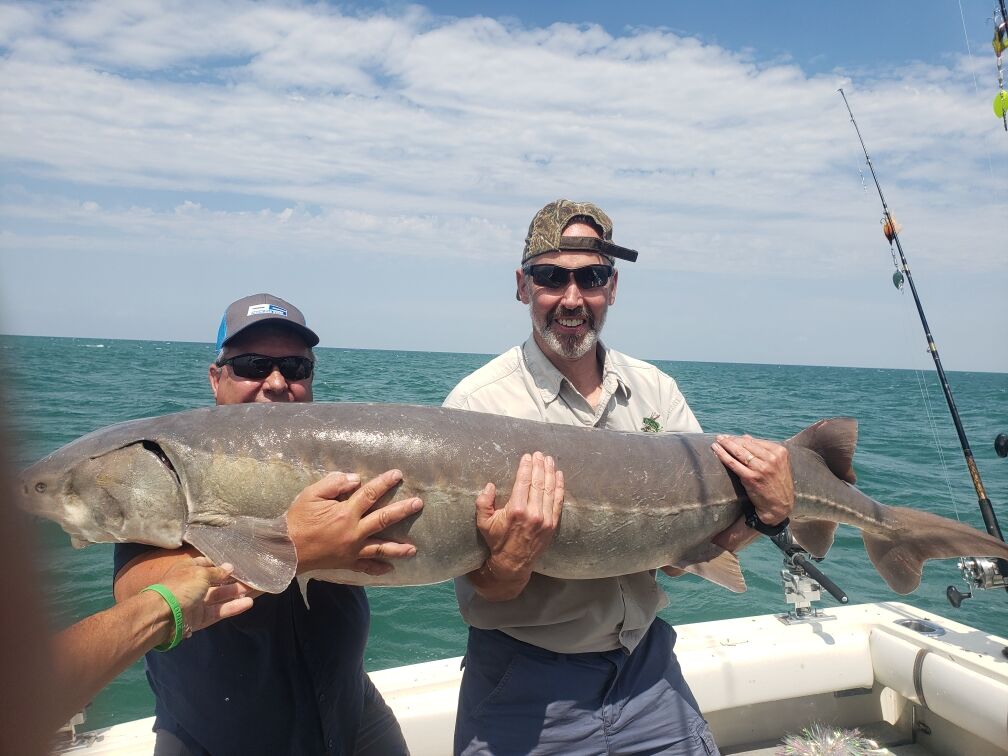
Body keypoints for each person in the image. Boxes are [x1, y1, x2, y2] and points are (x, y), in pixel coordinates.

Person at [443, 200, 795, 756]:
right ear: (521, 285)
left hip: (647, 670)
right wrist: (507, 564)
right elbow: (479, 586)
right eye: (551, 277)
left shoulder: (656, 392)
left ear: (613, 286)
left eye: (592, 277)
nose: (572, 298)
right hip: (524, 681)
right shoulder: (475, 406)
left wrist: (766, 514)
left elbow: (685, 556)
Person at [113, 293, 420, 756]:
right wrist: (294, 547)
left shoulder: (342, 460)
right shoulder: (169, 472)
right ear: (216, 378)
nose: (276, 383)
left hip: (351, 715)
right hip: (213, 736)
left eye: (296, 369)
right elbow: (136, 594)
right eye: (253, 365)